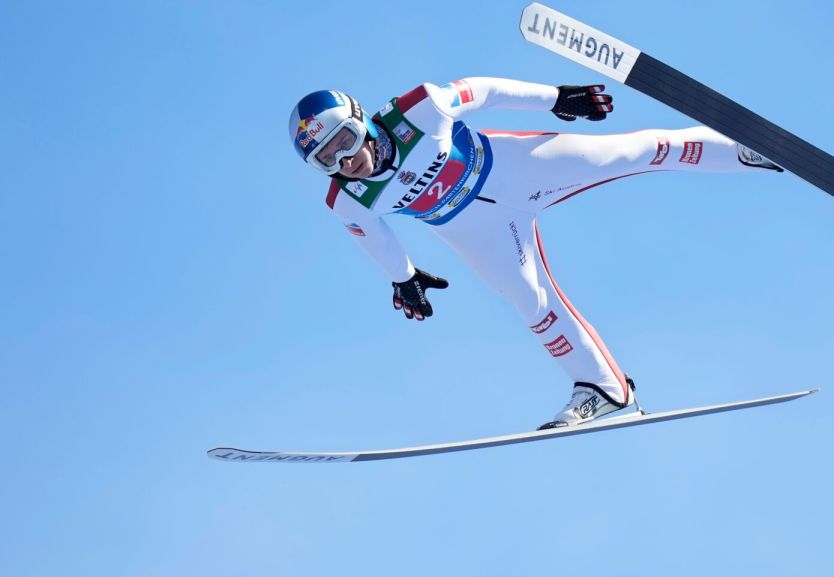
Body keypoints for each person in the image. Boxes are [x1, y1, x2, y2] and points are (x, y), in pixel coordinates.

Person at [289, 77, 782, 429]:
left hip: (517, 168)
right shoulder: (345, 199)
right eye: (326, 160)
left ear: (362, 122)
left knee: (635, 151)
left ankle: (743, 151)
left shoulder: (418, 110)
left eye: (346, 142)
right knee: (531, 303)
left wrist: (556, 99)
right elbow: (375, 237)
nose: (345, 161)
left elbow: (482, 91)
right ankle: (604, 389)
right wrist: (404, 277)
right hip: (473, 229)